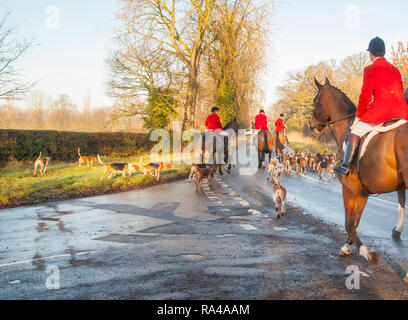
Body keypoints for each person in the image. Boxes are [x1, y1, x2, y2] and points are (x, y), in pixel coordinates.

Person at [333, 37, 408, 177]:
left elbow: (365, 97)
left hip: (382, 112)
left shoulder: (370, 69)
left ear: (371, 53)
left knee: (355, 132)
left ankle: (345, 167)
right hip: (402, 113)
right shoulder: (395, 70)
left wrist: (359, 116)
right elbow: (400, 91)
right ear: (384, 52)